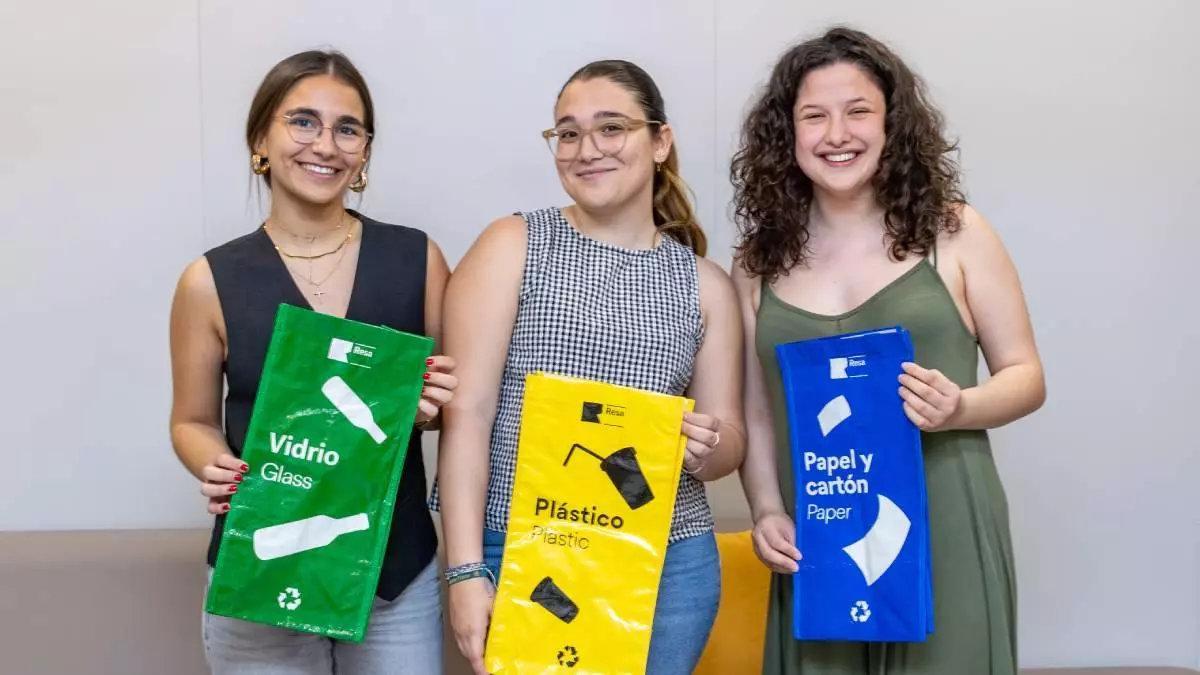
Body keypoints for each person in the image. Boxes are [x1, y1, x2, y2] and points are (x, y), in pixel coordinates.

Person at [731, 27, 1045, 674]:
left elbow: (1026, 375)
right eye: (813, 115)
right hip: (820, 526)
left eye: (858, 111)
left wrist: (961, 404)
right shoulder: (755, 262)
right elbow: (757, 409)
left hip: (944, 518)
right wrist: (763, 507)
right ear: (786, 136)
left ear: (892, 123)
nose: (836, 134)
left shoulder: (954, 232)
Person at [435, 59, 746, 675]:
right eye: (568, 133)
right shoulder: (513, 244)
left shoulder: (705, 284)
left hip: (668, 561)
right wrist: (466, 570)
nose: (586, 150)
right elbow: (465, 417)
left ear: (660, 142)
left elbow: (730, 439)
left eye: (611, 128)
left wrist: (708, 447)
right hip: (528, 550)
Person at [168, 49, 456, 674]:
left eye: (347, 128)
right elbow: (190, 419)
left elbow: (454, 407)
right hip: (261, 567)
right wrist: (212, 463)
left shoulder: (417, 260)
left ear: (363, 154)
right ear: (261, 140)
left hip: (394, 570)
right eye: (302, 121)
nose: (324, 144)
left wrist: (433, 408)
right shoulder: (210, 281)